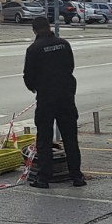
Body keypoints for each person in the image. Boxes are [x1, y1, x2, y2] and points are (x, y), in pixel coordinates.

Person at [22, 17, 85, 189]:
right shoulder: (64, 44)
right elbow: (70, 66)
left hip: (46, 98)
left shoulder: (33, 49)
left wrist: (36, 88)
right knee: (70, 137)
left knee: (44, 138)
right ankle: (77, 176)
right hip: (66, 96)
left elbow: (28, 76)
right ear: (49, 27)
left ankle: (43, 178)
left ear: (34, 30)